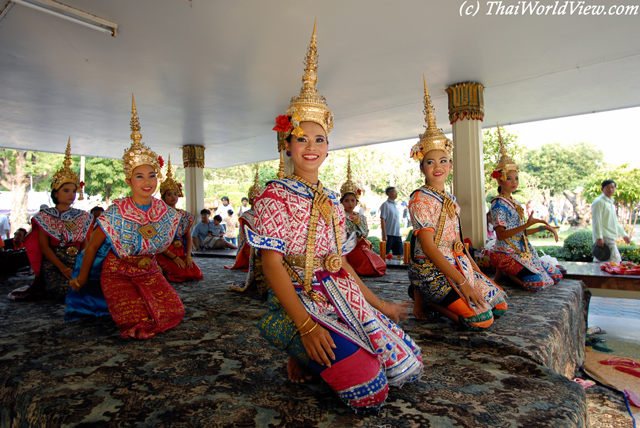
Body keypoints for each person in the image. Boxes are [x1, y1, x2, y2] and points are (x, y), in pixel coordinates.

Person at [246, 22, 422, 413]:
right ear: (287, 143)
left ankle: (319, 352)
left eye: (319, 138)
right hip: (301, 299)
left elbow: (339, 262)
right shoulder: (274, 195)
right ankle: (294, 339)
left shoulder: (329, 198)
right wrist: (307, 328)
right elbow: (271, 265)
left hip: (339, 290)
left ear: (328, 144)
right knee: (369, 393)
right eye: (301, 138)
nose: (311, 147)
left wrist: (380, 306)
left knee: (406, 369)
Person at [68, 95, 184, 339]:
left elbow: (157, 244)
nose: (147, 182)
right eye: (139, 176)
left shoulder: (164, 212)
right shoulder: (116, 212)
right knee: (136, 323)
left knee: (173, 312)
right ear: (128, 180)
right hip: (117, 272)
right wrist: (80, 279)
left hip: (149, 270)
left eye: (151, 175)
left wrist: (178, 258)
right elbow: (92, 247)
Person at [407, 78, 507, 330]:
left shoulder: (450, 199)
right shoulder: (420, 198)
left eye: (443, 160)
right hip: (431, 267)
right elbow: (429, 249)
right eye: (430, 162)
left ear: (450, 164)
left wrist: (476, 274)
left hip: (457, 261)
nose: (438, 166)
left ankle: (437, 297)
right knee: (481, 319)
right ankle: (428, 299)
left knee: (499, 305)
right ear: (422, 167)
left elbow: (458, 243)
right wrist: (463, 283)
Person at [8, 140, 92, 301]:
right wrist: (62, 268)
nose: (71, 195)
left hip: (78, 263)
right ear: (56, 193)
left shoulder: (83, 216)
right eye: (66, 190)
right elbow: (44, 247)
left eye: (74, 191)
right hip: (55, 264)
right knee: (65, 292)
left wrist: (82, 267)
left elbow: (85, 244)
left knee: (93, 289)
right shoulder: (45, 217)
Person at [489, 127, 562, 291]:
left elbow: (520, 234)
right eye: (509, 178)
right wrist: (526, 225)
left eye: (516, 178)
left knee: (556, 275)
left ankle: (507, 273)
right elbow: (501, 234)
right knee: (535, 283)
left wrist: (543, 227)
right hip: (505, 253)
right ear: (500, 181)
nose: (514, 182)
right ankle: (505, 273)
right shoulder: (498, 204)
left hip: (522, 251)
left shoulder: (516, 203)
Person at [156, 155, 203, 283]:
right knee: (180, 275)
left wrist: (188, 256)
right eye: (169, 194)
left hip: (180, 251)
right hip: (164, 252)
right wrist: (174, 257)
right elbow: (158, 242)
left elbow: (188, 237)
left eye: (175, 194)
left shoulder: (183, 215)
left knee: (196, 273)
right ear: (163, 197)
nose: (173, 197)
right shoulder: (159, 215)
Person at [340, 156, 386, 277]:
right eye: (347, 201)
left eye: (352, 201)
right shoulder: (340, 217)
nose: (350, 204)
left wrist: (358, 227)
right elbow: (346, 235)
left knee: (379, 264)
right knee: (367, 266)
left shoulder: (360, 217)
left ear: (356, 202)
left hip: (361, 246)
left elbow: (365, 233)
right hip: (347, 248)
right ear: (342, 202)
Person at [228, 166, 269, 295]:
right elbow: (248, 237)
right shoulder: (246, 215)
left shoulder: (266, 213)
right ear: (251, 200)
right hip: (250, 246)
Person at [591, 179, 631, 262]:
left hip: (610, 236)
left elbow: (615, 222)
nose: (611, 189)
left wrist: (624, 235)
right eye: (608, 187)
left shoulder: (610, 203)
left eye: (613, 187)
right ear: (602, 189)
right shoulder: (599, 202)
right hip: (603, 237)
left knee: (604, 261)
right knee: (614, 261)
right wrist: (599, 237)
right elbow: (596, 220)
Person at [380, 186, 403, 257]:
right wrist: (384, 235)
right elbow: (383, 220)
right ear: (389, 193)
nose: (396, 193)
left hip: (397, 235)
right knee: (384, 254)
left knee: (400, 255)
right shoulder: (385, 205)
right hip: (389, 235)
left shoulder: (396, 205)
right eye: (394, 192)